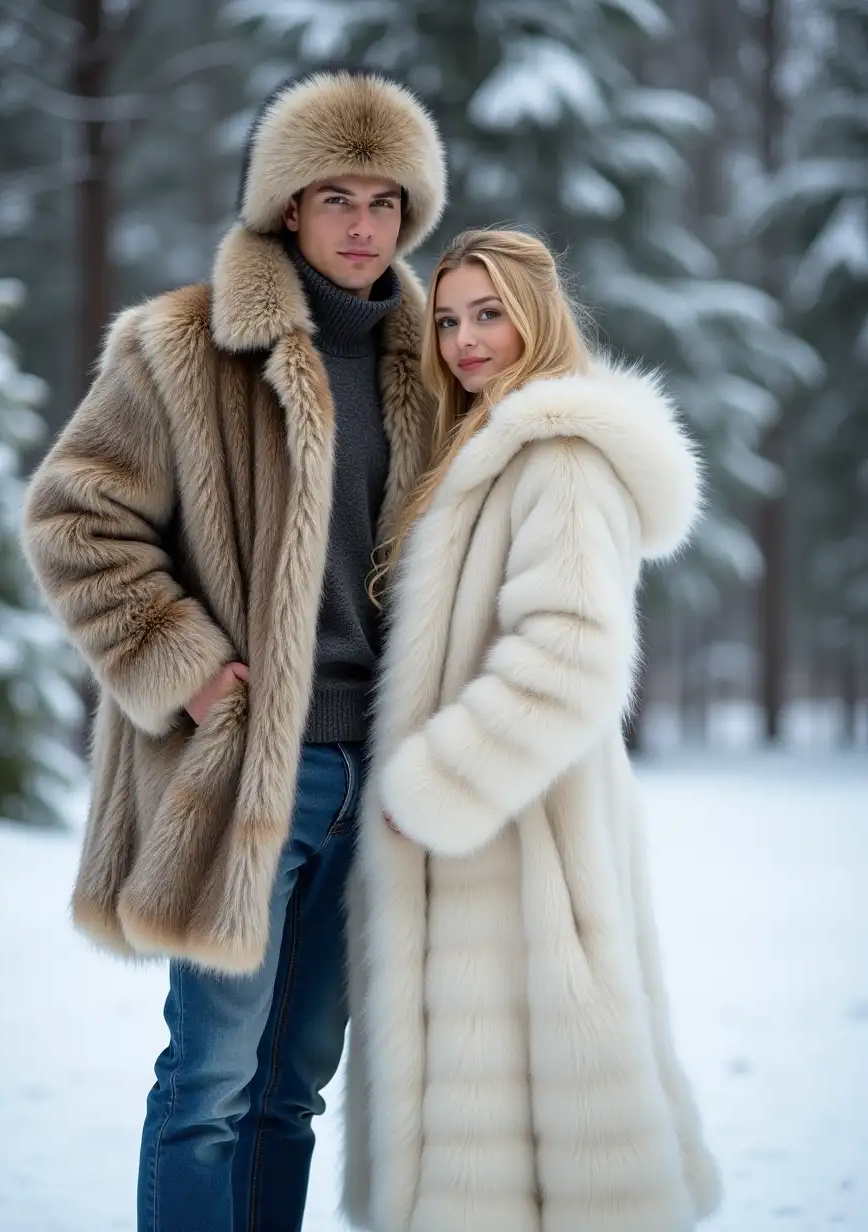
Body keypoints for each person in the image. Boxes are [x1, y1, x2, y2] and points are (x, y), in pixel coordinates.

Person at [22, 70, 446, 1232]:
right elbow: (73, 515)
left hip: (381, 781)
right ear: (285, 209)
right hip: (245, 763)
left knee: (293, 1089)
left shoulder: (439, 361)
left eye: (385, 200)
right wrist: (185, 662)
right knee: (209, 1082)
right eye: (334, 197)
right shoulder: (180, 345)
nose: (362, 225)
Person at [343, 229, 721, 1231]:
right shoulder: (478, 439)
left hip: (515, 838)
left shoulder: (553, 451)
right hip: (492, 833)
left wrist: (433, 786)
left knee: (542, 1150)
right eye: (451, 317)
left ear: (538, 315)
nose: (466, 339)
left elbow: (573, 654)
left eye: (489, 313)